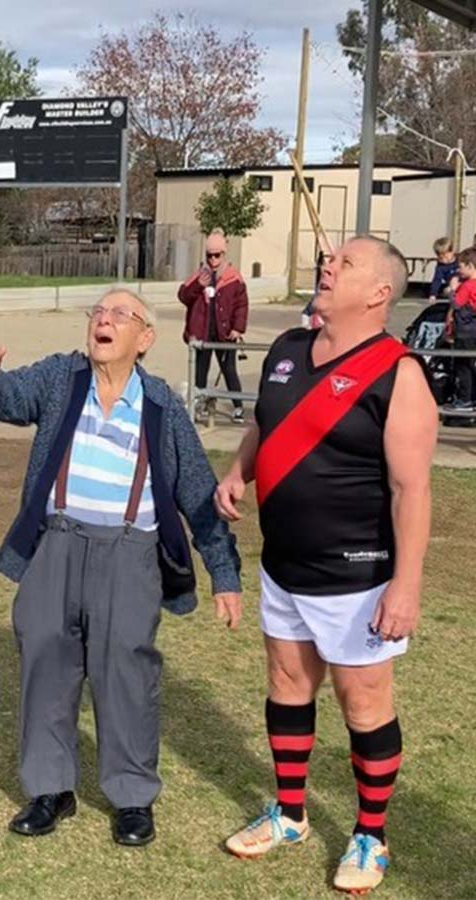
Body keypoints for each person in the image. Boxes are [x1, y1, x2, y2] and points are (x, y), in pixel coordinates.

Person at [0, 289, 242, 845]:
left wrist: (224, 574)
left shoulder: (161, 406)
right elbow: (10, 399)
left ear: (145, 339)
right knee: (45, 661)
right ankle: (50, 790)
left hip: (130, 554)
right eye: (98, 313)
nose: (103, 322)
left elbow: (197, 493)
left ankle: (133, 798)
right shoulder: (62, 378)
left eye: (120, 315)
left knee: (126, 675)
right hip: (57, 545)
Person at [216, 237, 436, 894]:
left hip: (359, 577)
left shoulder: (400, 373)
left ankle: (371, 835)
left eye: (346, 262)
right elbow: (267, 422)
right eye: (329, 257)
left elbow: (412, 491)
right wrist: (237, 471)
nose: (328, 265)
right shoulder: (286, 349)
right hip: (284, 566)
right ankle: (289, 816)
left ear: (379, 293)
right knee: (287, 684)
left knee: (362, 703)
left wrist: (407, 587)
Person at [178, 228, 249, 423]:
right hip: (202, 333)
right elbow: (184, 296)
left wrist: (237, 328)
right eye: (209, 256)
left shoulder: (234, 278)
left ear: (224, 254)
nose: (213, 260)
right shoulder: (199, 275)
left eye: (217, 255)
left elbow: (241, 305)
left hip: (225, 334)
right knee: (200, 371)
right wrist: (198, 286)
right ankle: (199, 403)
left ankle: (238, 406)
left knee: (229, 370)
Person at [445, 247, 476, 408]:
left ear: (470, 266)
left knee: (463, 367)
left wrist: (451, 290)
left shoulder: (468, 286)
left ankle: (465, 399)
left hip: (465, 332)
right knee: (472, 366)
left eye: (461, 266)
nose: (458, 270)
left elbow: (457, 304)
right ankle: (472, 397)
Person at [428, 236, 459, 301]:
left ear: (452, 251)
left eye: (445, 256)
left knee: (455, 279)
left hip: (466, 284)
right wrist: (433, 294)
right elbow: (437, 280)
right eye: (440, 258)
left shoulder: (461, 260)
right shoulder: (441, 267)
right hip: (452, 288)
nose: (444, 260)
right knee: (448, 290)